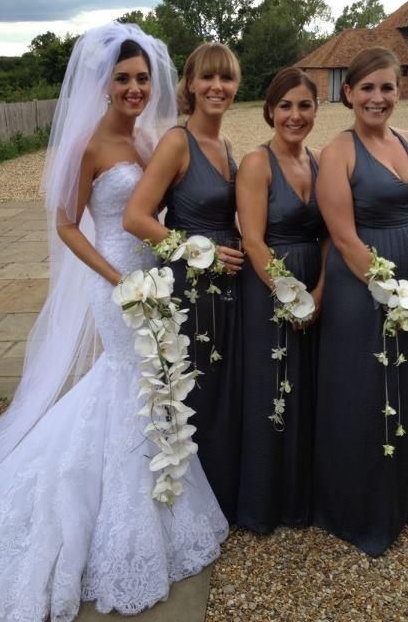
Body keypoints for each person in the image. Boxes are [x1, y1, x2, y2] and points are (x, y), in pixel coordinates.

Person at [0, 22, 227, 622]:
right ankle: (122, 519)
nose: (135, 89)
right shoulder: (88, 145)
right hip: (114, 281)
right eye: (124, 80)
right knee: (125, 382)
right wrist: (115, 278)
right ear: (103, 85)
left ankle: (156, 499)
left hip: (151, 281)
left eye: (142, 79)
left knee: (149, 385)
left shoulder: (147, 141)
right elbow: (64, 224)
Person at [314, 46, 408, 556]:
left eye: (387, 87)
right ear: (348, 93)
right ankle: (356, 507)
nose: (378, 97)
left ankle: (397, 497)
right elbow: (343, 239)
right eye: (367, 88)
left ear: (399, 90)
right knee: (362, 392)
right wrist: (393, 295)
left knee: (402, 384)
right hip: (360, 288)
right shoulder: (338, 152)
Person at [123, 42, 244, 523]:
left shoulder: (226, 145)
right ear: (190, 85)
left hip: (227, 286)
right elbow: (136, 217)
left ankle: (219, 495)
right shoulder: (178, 141)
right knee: (194, 387)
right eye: (208, 78)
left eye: (228, 78)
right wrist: (200, 252)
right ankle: (192, 500)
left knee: (219, 386)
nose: (218, 87)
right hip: (190, 284)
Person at [235, 67, 326, 534]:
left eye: (304, 105)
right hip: (270, 286)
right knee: (273, 386)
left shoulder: (319, 160)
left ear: (317, 109)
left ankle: (302, 495)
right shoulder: (257, 162)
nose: (295, 115)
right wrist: (292, 299)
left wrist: (320, 292)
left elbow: (330, 234)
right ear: (270, 109)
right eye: (285, 106)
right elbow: (252, 240)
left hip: (313, 285)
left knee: (307, 386)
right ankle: (266, 502)